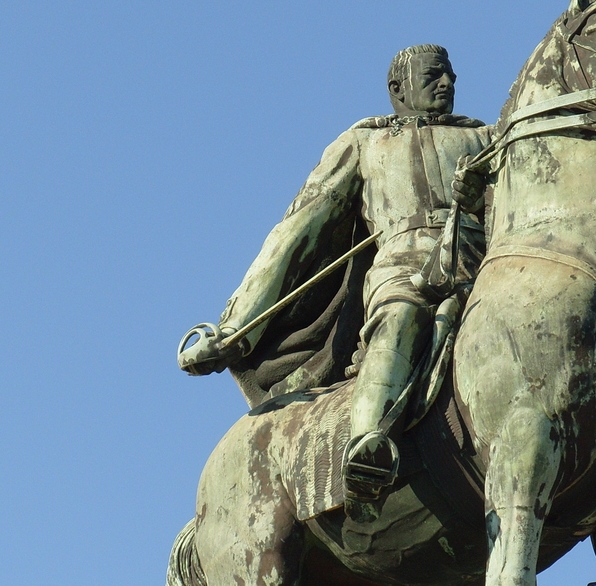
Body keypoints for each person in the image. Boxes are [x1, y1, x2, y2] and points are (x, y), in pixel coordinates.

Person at [181, 44, 491, 518]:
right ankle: (369, 445)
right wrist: (234, 329)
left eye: (450, 75)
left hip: (487, 261)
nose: (446, 84)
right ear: (398, 89)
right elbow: (296, 233)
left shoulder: (486, 139)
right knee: (400, 317)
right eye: (433, 76)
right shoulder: (366, 142)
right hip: (406, 265)